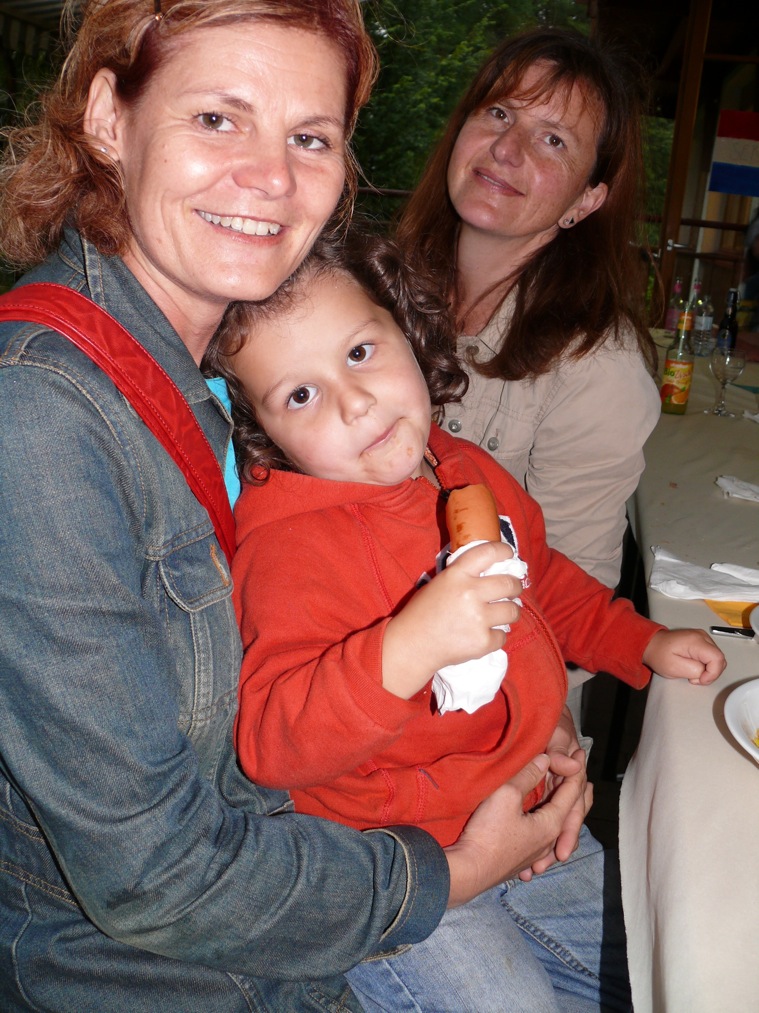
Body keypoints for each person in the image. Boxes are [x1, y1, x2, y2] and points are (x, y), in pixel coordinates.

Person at [0, 3, 592, 1009]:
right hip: (188, 970)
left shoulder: (231, 377)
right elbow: (154, 875)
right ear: (108, 118)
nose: (271, 178)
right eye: (217, 118)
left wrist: (519, 714)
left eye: (309, 138)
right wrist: (450, 872)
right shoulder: (40, 419)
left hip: (337, 841)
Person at [205, 228, 725, 1012]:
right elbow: (273, 743)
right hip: (401, 866)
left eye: (359, 353)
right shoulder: (288, 550)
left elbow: (540, 580)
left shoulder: (461, 468)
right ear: (260, 427)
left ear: (406, 330)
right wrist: (405, 648)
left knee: (670, 972)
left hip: (523, 805)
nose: (354, 401)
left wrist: (637, 640)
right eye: (299, 396)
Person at [395, 27, 662, 717]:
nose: (507, 149)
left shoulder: (597, 370)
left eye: (553, 140)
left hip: (476, 710)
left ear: (586, 200)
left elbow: (567, 605)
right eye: (499, 112)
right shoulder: (370, 294)